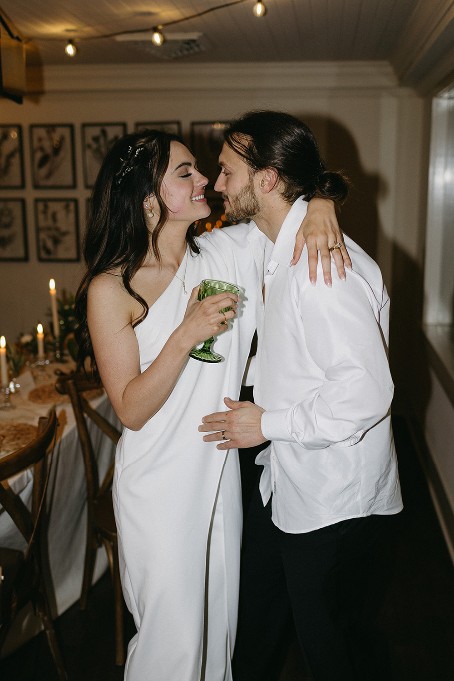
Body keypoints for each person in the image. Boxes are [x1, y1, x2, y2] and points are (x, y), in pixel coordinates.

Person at [74, 128, 348, 681]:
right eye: (186, 173)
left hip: (220, 475)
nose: (204, 179)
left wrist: (322, 202)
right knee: (171, 642)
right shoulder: (113, 288)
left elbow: (288, 209)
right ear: (149, 199)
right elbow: (130, 409)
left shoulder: (230, 250)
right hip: (158, 484)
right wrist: (186, 332)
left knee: (218, 628)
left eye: (199, 169)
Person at [199, 111, 403, 681]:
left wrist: (266, 424)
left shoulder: (319, 269)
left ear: (266, 179)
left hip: (333, 500)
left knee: (334, 656)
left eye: (227, 171)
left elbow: (366, 391)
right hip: (292, 483)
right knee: (272, 630)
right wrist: (321, 199)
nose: (217, 184)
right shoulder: (275, 246)